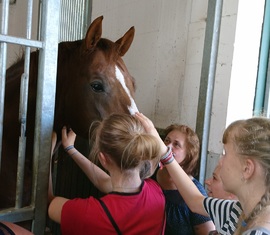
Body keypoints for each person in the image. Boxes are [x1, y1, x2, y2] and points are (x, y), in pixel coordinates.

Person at [136, 112, 270, 235]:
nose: (221, 160)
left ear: (247, 169)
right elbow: (195, 201)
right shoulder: (237, 210)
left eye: (225, 153)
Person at [48, 113, 166, 235]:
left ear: (102, 159)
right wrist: (71, 149)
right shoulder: (155, 190)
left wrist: (46, 156)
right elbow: (106, 182)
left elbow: (49, 203)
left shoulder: (91, 214)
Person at [155, 124, 215, 234]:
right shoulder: (150, 173)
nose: (168, 146)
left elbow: (207, 231)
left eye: (176, 144)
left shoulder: (195, 190)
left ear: (189, 155)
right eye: (166, 140)